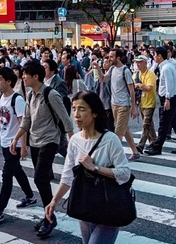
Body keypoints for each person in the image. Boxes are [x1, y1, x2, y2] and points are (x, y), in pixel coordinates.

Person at [46, 91, 131, 244]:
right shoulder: (74, 141)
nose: (76, 114)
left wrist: (95, 168)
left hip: (109, 206)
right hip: (85, 204)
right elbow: (67, 177)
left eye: (82, 109)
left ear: (95, 113)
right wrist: (54, 201)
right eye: (74, 109)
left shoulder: (110, 140)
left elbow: (125, 173)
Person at [10, 60, 73, 238]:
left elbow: (65, 119)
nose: (22, 77)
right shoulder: (30, 95)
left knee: (40, 178)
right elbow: (26, 121)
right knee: (41, 179)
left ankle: (50, 217)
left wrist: (73, 141)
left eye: (25, 74)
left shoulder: (51, 94)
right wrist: (16, 139)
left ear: (35, 76)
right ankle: (48, 215)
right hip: (35, 141)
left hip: (50, 140)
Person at [0, 67, 36, 223]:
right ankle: (30, 197)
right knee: (16, 170)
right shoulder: (0, 99)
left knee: (7, 175)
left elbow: (23, 124)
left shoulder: (17, 100)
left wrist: (23, 146)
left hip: (15, 143)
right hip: (5, 142)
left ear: (8, 81)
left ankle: (0, 209)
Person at [144, 47, 176, 156]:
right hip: (170, 97)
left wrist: (167, 99)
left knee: (164, 123)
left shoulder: (166, 68)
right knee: (175, 123)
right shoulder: (165, 66)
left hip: (169, 98)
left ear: (159, 55)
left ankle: (157, 147)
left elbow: (169, 84)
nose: (154, 57)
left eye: (155, 55)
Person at [107, 49, 140, 161]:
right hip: (114, 104)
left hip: (123, 105)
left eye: (111, 56)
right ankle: (135, 152)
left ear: (118, 58)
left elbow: (132, 90)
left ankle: (114, 158)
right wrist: (96, 67)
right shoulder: (112, 69)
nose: (109, 58)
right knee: (125, 129)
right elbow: (102, 79)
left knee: (118, 133)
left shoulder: (125, 70)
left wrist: (133, 107)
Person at [134, 56, 157, 154]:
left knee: (145, 124)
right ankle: (154, 141)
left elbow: (149, 88)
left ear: (145, 63)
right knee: (149, 124)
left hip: (150, 102)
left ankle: (141, 145)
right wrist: (141, 86)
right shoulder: (137, 74)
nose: (138, 64)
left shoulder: (150, 74)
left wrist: (140, 86)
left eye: (140, 62)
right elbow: (133, 85)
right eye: (137, 62)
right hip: (141, 102)